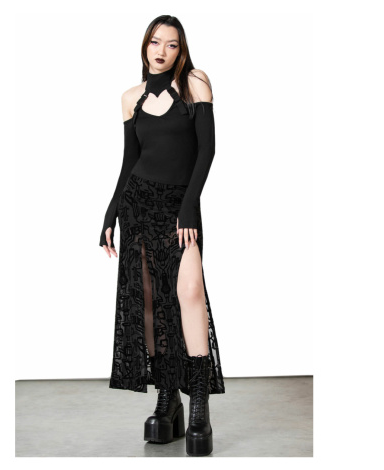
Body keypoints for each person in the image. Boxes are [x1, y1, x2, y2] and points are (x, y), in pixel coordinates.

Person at [99, 15, 225, 457]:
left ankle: (199, 407)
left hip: (179, 206)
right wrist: (111, 212)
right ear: (145, 45)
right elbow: (129, 160)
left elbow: (207, 150)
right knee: (150, 303)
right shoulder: (130, 98)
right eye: (156, 42)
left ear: (180, 50)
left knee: (189, 292)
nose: (162, 51)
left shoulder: (195, 84)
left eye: (171, 45)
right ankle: (167, 399)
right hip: (138, 206)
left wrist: (189, 205)